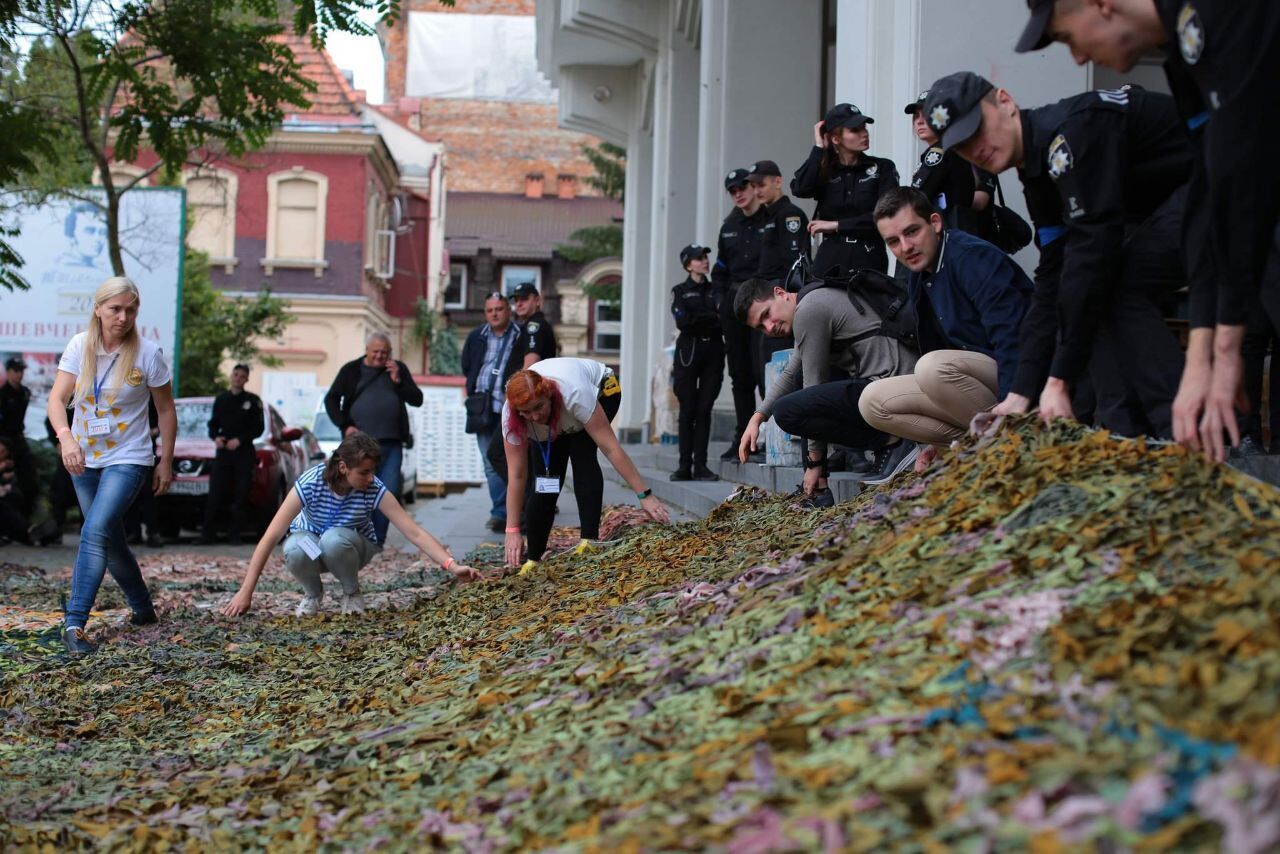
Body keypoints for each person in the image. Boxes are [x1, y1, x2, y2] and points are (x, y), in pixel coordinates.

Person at [1014, 0, 1280, 461]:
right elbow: (1211, 182)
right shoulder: (1181, 48)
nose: (1077, 59)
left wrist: (1225, 341)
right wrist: (1204, 353)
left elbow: (1241, 168)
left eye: (1067, 37)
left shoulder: (1221, 16)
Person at [924, 72, 1189, 439]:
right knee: (1087, 294)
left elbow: (1091, 260)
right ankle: (1129, 438)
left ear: (1004, 101)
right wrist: (1021, 393)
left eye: (978, 130)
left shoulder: (1069, 136)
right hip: (1170, 210)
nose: (976, 149)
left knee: (1108, 285)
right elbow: (1051, 281)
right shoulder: (1036, 172)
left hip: (1227, 181)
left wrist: (1059, 380)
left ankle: (1184, 436)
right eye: (963, 146)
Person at [46, 277, 176, 656]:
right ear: (98, 309)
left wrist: (164, 460)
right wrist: (66, 438)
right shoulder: (78, 346)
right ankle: (142, 607)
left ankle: (74, 622)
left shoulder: (147, 354)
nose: (123, 317)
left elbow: (166, 410)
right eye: (115, 309)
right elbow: (57, 400)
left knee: (95, 530)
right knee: (110, 539)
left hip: (129, 457)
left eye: (130, 310)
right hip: (83, 459)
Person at [221, 432, 481, 619]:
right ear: (343, 467)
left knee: (333, 539)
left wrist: (452, 565)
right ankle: (313, 594)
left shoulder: (373, 488)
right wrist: (246, 592)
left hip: (350, 549)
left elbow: (413, 531)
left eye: (372, 471)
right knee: (295, 545)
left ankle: (351, 592)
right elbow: (271, 536)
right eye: (364, 472)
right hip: (314, 549)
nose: (371, 478)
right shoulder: (311, 482)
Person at [861, 188, 1033, 468]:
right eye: (893, 241)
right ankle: (961, 447)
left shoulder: (972, 258)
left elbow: (1014, 338)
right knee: (872, 401)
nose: (905, 247)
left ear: (935, 223)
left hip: (1022, 380)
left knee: (932, 368)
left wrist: (1014, 405)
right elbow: (935, 344)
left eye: (912, 232)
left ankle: (1014, 439)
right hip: (976, 383)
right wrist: (930, 441)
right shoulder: (920, 274)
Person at [735, 276, 920, 506]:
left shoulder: (809, 310)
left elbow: (813, 387)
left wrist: (814, 464)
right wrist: (758, 417)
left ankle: (892, 442)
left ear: (780, 293)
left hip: (894, 387)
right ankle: (889, 442)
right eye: (761, 327)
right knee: (795, 394)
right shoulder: (809, 303)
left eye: (766, 315)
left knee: (788, 411)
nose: (770, 327)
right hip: (891, 385)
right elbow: (791, 372)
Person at [500, 360, 670, 573]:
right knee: (547, 478)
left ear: (549, 395)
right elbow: (516, 475)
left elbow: (610, 448)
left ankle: (589, 539)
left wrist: (644, 495)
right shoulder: (511, 417)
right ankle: (534, 558)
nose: (535, 416)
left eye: (538, 407)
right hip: (561, 413)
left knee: (582, 453)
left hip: (603, 390)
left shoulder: (575, 394)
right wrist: (512, 529)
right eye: (527, 412)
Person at [323, 332, 423, 544]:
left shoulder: (397, 369)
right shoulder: (351, 370)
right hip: (358, 446)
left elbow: (417, 399)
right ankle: (352, 536)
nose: (379, 357)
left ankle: (377, 541)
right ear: (366, 351)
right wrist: (345, 424)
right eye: (375, 352)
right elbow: (331, 399)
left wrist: (399, 381)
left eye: (384, 353)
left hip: (391, 442)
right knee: (354, 488)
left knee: (389, 490)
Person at [791, 103, 900, 279]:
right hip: (831, 257)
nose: (864, 134)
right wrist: (819, 148)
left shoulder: (882, 167)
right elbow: (800, 188)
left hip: (869, 254)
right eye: (855, 130)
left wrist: (837, 225)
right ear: (836, 139)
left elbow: (886, 216)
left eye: (864, 128)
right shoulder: (826, 170)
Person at [712, 167, 769, 460]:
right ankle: (743, 435)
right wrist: (722, 300)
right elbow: (719, 269)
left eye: (742, 188)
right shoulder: (729, 226)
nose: (738, 194)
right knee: (739, 374)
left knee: (764, 371)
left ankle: (769, 434)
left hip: (762, 304)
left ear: (753, 187)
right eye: (732, 191)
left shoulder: (770, 218)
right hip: (734, 307)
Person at [461, 293, 521, 532]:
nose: (495, 314)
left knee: (514, 459)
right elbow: (467, 365)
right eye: (490, 310)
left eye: (499, 309)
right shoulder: (476, 336)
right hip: (482, 408)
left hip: (511, 406)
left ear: (509, 310)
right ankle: (500, 512)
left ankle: (518, 505)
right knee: (489, 462)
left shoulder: (520, 335)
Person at [904, 91, 996, 238]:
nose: (919, 121)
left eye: (927, 115)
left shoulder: (946, 151)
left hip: (955, 235)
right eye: (916, 116)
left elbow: (918, 197)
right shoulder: (942, 151)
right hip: (957, 236)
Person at [670, 243, 724, 482]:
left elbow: (723, 318)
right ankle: (684, 465)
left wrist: (702, 319)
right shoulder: (680, 290)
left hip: (713, 349)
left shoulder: (716, 289)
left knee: (704, 409)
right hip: (688, 351)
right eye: (699, 258)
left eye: (705, 257)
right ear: (688, 264)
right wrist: (710, 318)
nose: (705, 261)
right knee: (688, 409)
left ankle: (700, 465)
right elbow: (682, 321)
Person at [201, 363, 264, 544]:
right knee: (215, 494)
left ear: (247, 379)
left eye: (242, 376)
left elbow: (258, 428)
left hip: (243, 454)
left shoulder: (252, 401)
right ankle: (207, 535)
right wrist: (216, 438)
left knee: (240, 495)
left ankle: (234, 535)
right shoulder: (221, 399)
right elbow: (213, 424)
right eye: (235, 375)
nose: (238, 378)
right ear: (231, 376)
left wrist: (241, 440)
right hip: (223, 453)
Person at [749, 160, 812, 285]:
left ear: (777, 182)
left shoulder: (790, 214)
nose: (756, 192)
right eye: (753, 186)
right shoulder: (765, 215)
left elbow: (794, 263)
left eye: (761, 185)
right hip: (764, 287)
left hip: (780, 289)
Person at [0, 355, 36, 513]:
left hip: (19, 439)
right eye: (16, 370)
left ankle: (26, 518)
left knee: (29, 479)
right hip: (3, 442)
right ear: (7, 372)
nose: (19, 374)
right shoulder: (2, 395)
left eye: (21, 370)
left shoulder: (25, 393)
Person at [508, 282, 558, 370]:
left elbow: (530, 365)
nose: (518, 304)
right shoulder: (533, 324)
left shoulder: (534, 325)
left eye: (524, 299)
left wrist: (520, 383)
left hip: (525, 382)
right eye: (516, 300)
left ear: (537, 301)